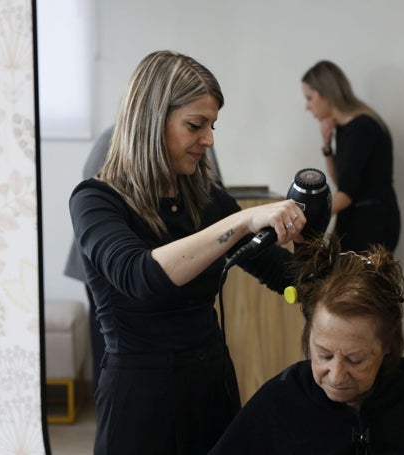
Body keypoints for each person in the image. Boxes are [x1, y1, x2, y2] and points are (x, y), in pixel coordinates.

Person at [68, 50, 307, 455]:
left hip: (212, 389)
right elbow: (142, 276)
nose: (209, 140)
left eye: (212, 126)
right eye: (196, 125)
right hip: (140, 403)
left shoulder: (208, 201)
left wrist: (319, 254)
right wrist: (242, 222)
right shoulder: (96, 201)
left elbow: (284, 274)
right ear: (150, 120)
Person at [209, 236, 404, 454]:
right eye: (324, 355)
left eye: (356, 359)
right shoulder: (278, 403)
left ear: (388, 346)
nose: (337, 376)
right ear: (309, 336)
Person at [301, 60, 401, 253]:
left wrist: (309, 221)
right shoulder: (346, 128)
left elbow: (345, 195)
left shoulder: (361, 128)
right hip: (357, 219)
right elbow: (341, 180)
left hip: (371, 224)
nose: (307, 106)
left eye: (309, 98)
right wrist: (327, 147)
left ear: (326, 95)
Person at [63, 124, 113, 394]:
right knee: (105, 339)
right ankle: (101, 402)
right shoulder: (112, 137)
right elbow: (90, 189)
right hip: (99, 261)